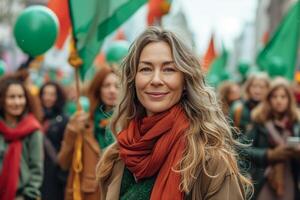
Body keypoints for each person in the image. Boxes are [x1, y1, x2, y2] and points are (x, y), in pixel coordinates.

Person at [96, 27, 251, 200]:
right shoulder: (117, 154)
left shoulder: (210, 161)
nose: (155, 80)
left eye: (168, 69)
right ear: (133, 80)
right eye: (146, 69)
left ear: (185, 80)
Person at [57, 65, 119, 200]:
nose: (112, 91)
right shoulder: (83, 122)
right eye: (106, 86)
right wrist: (72, 132)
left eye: (117, 86)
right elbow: (64, 162)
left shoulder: (130, 123)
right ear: (98, 90)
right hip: (89, 195)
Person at [242, 78, 300, 200]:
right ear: (269, 99)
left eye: (283, 97)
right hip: (264, 179)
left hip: (290, 178)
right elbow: (244, 150)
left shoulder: (296, 123)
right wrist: (268, 155)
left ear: (289, 100)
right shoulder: (259, 121)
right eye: (275, 96)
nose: (279, 101)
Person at [0, 75, 43, 200]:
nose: (17, 102)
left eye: (20, 97)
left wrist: (27, 196)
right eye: (11, 97)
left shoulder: (33, 130)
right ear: (2, 100)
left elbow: (36, 170)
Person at [39, 81, 69, 200]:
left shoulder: (64, 120)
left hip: (55, 173)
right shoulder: (36, 117)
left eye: (52, 94)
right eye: (45, 94)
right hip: (38, 170)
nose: (48, 97)